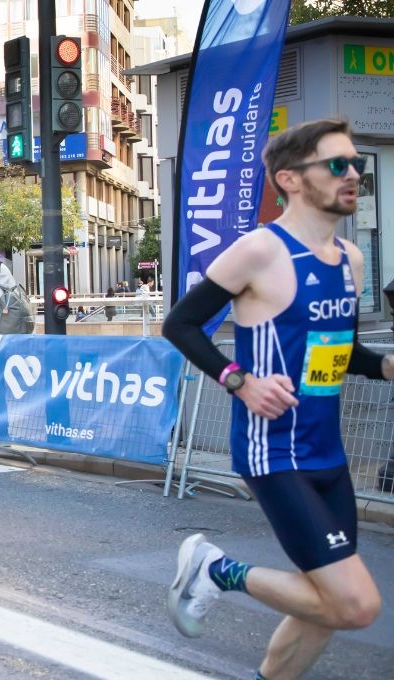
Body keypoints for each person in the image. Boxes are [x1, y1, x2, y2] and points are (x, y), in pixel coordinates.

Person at [161, 118, 383, 680]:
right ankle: (217, 570)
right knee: (355, 603)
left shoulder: (351, 261)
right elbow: (181, 324)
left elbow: (340, 350)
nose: (352, 174)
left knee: (324, 606)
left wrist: (383, 364)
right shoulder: (260, 249)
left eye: (356, 164)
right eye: (337, 165)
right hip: (275, 452)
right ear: (289, 179)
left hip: (329, 454)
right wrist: (239, 379)